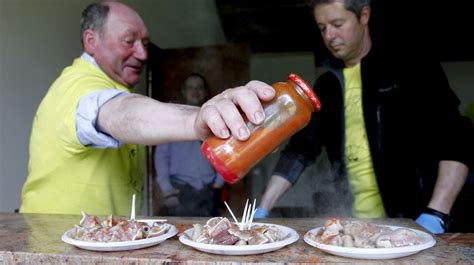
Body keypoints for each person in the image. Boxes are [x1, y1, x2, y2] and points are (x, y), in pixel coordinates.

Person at [19, 1, 275, 216]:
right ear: (91, 40)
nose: (142, 54)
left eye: (145, 43)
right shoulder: (77, 87)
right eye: (129, 41)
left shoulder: (110, 86)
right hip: (54, 246)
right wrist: (197, 120)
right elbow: (117, 111)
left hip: (95, 241)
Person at [254, 0, 473, 234]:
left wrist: (436, 213)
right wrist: (263, 209)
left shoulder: (412, 69)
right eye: (322, 27)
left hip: (414, 221)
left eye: (337, 23)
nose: (329, 36)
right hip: (352, 224)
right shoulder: (327, 87)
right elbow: (301, 150)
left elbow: (456, 138)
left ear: (364, 16)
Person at [155, 73, 224, 216]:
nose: (195, 91)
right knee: (181, 233)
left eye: (199, 87)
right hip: (179, 189)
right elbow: (162, 156)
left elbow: (223, 150)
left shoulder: (214, 119)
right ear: (184, 91)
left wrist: (219, 181)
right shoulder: (172, 119)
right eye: (191, 88)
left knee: (210, 235)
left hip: (209, 188)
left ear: (205, 92)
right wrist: (167, 189)